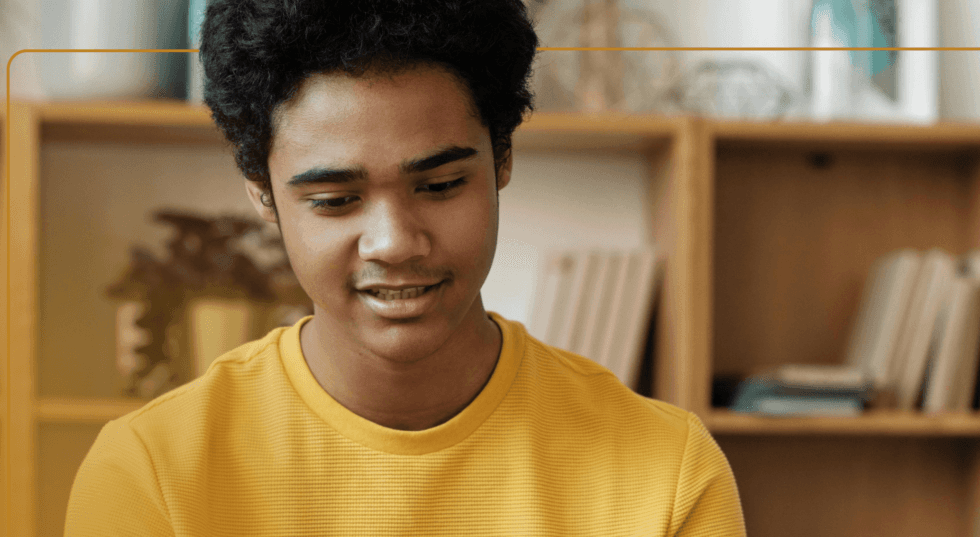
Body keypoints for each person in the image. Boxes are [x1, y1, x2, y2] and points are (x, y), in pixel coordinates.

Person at [65, 0, 746, 535]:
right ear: (262, 194)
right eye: (335, 200)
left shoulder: (665, 475)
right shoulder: (153, 475)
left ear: (502, 158)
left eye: (441, 184)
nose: (393, 241)